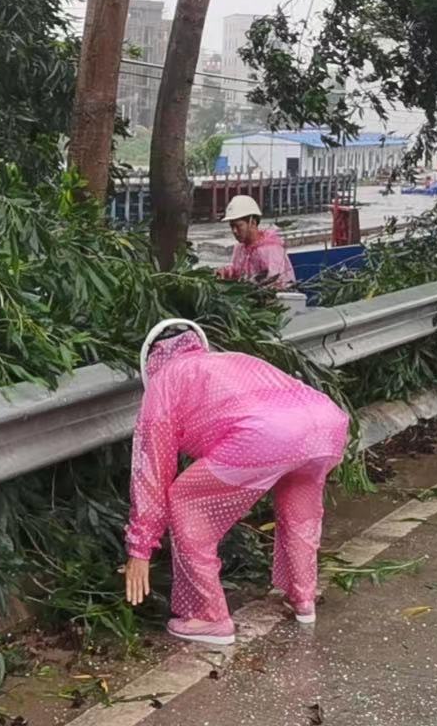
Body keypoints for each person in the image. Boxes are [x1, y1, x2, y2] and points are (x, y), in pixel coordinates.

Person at [122, 319, 350, 644]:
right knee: (301, 513)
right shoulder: (231, 360)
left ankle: (209, 616)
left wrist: (140, 548)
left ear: (151, 360)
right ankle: (303, 599)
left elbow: (152, 471)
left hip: (266, 435)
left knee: (187, 500)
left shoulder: (165, 381)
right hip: (327, 425)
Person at [217, 195, 297, 290]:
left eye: (238, 226)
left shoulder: (270, 250)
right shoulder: (239, 248)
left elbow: (278, 282)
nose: (234, 231)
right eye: (232, 226)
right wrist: (226, 272)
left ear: (253, 223)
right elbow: (237, 272)